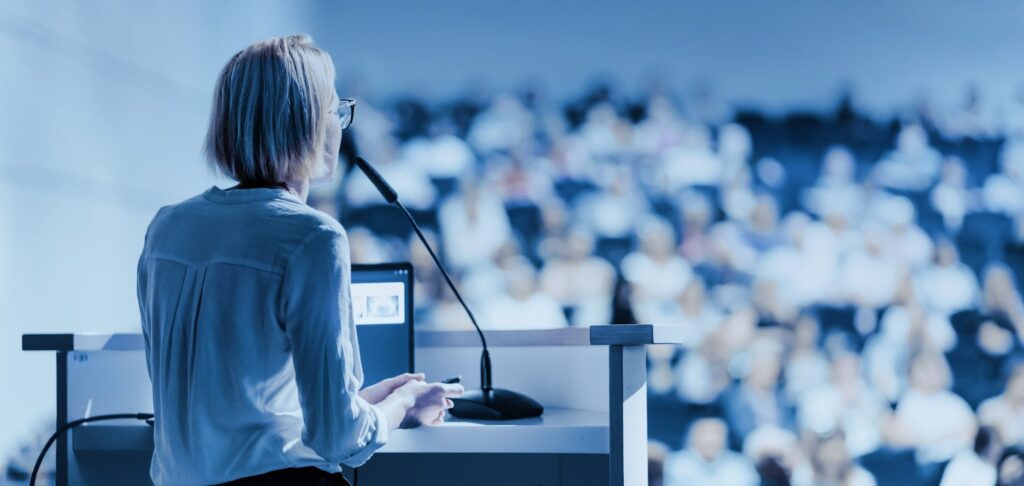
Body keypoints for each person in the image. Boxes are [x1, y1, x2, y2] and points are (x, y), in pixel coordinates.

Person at [136, 36, 463, 485]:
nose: (341, 125)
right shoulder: (313, 237)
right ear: (306, 122)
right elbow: (339, 441)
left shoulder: (166, 228)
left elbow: (242, 418)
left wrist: (364, 403)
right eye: (336, 109)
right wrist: (402, 406)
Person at [663, 418, 759, 486]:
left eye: (716, 434)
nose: (711, 439)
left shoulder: (741, 465)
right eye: (705, 434)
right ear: (691, 438)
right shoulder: (674, 463)